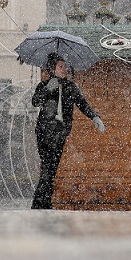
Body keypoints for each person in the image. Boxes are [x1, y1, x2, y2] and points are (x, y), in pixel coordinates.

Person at [30, 52, 105, 209]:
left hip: (60, 133)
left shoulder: (70, 87)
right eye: (61, 67)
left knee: (51, 168)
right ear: (52, 69)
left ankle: (42, 202)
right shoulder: (43, 86)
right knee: (48, 166)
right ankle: (41, 203)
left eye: (65, 67)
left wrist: (95, 117)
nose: (65, 70)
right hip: (45, 132)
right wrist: (47, 90)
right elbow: (35, 102)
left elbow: (82, 104)